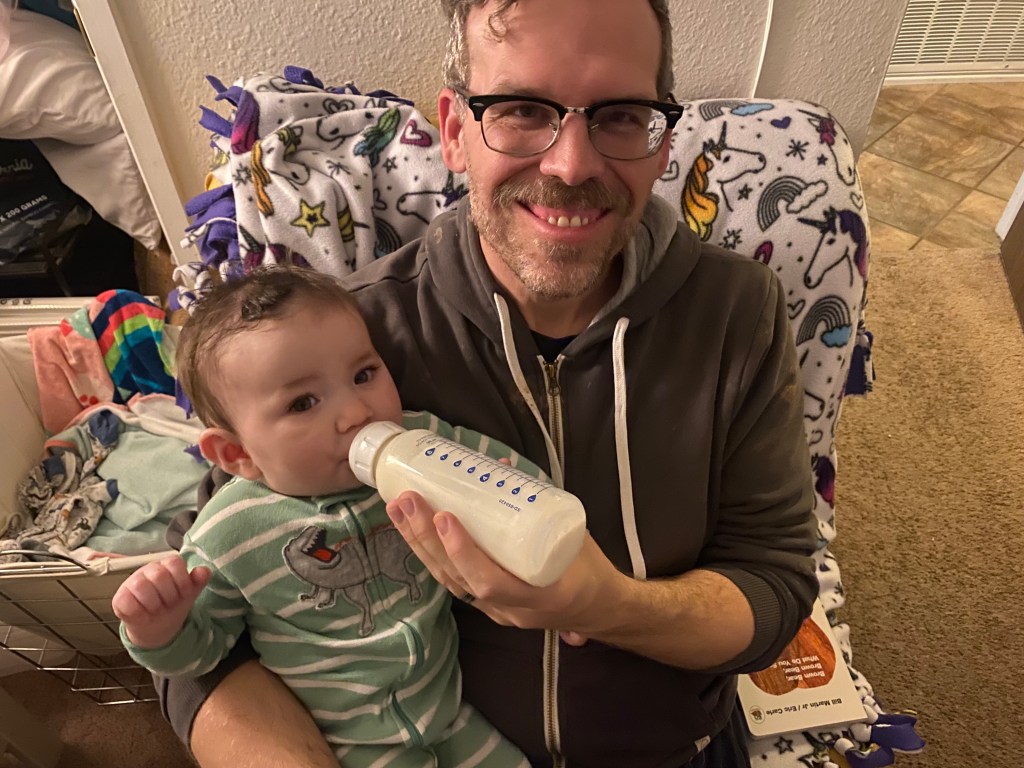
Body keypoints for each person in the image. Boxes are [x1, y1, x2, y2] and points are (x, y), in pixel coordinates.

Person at [163, 1, 819, 766]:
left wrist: (608, 607)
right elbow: (201, 622)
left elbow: (773, 589)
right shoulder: (349, 348)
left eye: (619, 115)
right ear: (453, 131)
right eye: (519, 109)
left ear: (661, 138)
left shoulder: (736, 312)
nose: (571, 165)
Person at [112, 266, 532, 768]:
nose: (356, 412)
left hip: (451, 713)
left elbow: (508, 476)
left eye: (363, 375)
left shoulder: (420, 444)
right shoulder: (229, 535)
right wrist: (158, 629)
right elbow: (202, 656)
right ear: (236, 454)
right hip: (351, 748)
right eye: (303, 403)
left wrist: (519, 493)